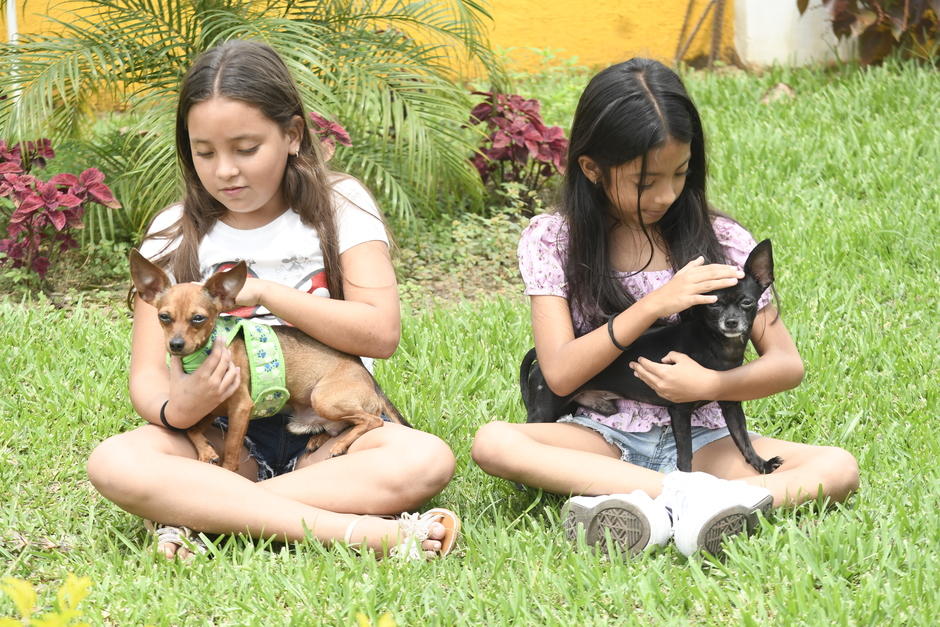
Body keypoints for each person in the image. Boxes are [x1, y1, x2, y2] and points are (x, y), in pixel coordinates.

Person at [471, 58, 859, 557]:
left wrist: (711, 385)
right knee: (494, 443)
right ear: (591, 169)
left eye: (681, 173)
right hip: (601, 436)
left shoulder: (722, 241)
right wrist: (656, 303)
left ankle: (653, 508)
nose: (667, 194)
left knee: (838, 468)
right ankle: (702, 504)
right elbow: (561, 375)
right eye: (644, 181)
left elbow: (786, 365)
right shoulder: (555, 239)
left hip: (706, 437)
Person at [87, 40, 459, 560]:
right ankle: (359, 532)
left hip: (324, 435)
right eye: (205, 151)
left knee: (426, 459)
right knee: (113, 462)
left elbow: (381, 333)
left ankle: (211, 517)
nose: (225, 172)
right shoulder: (174, 233)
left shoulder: (341, 208)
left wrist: (263, 293)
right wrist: (178, 408)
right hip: (219, 437)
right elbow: (148, 378)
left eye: (246, 148)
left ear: (291, 134)